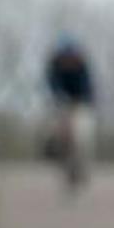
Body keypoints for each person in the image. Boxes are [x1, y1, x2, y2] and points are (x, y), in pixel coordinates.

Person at [42, 36, 95, 190]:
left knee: (84, 132)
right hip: (62, 103)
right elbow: (52, 85)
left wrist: (82, 101)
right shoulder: (54, 66)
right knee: (53, 127)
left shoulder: (82, 66)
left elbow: (88, 88)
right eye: (65, 56)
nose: (68, 60)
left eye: (70, 56)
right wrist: (60, 98)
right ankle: (53, 151)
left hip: (80, 103)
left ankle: (83, 165)